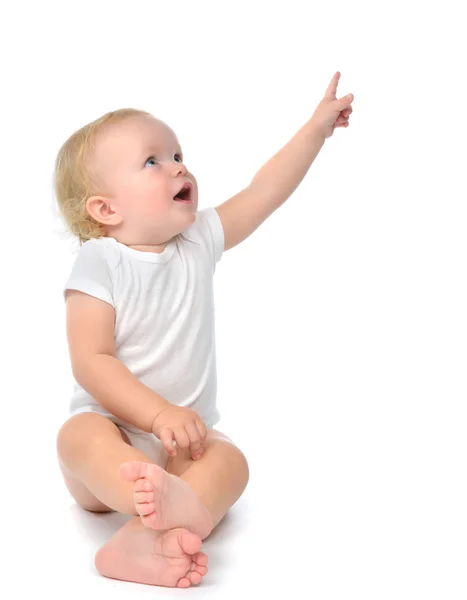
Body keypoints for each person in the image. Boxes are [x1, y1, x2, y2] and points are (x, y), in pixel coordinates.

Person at [55, 71, 354, 589]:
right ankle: (154, 504)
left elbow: (264, 190)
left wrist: (315, 130)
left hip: (183, 446)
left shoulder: (197, 241)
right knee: (77, 436)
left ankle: (147, 537)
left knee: (232, 462)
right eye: (153, 161)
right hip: (116, 433)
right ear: (106, 208)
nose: (178, 166)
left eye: (177, 155)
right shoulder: (100, 261)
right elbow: (91, 359)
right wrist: (156, 414)